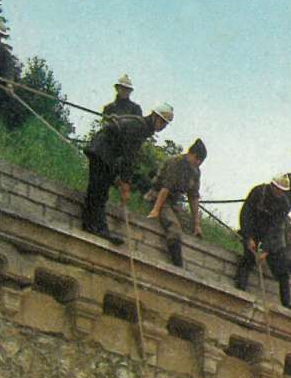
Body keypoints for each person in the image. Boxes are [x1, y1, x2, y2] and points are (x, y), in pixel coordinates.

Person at [81, 103, 173, 245]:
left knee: (99, 189)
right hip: (102, 150)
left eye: (165, 124)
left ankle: (92, 226)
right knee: (98, 190)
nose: (162, 126)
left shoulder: (140, 125)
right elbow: (129, 157)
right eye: (161, 122)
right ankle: (97, 228)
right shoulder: (140, 127)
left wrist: (119, 178)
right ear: (154, 116)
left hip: (106, 152)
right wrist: (125, 184)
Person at [235, 175, 291, 311]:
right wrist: (248, 237)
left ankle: (286, 302)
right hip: (253, 230)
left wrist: (266, 251)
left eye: (282, 190)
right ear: (273, 186)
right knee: (248, 258)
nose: (279, 192)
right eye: (278, 189)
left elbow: (276, 229)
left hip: (271, 237)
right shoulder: (258, 192)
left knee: (282, 270)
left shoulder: (284, 204)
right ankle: (240, 288)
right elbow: (246, 214)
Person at [146, 139, 206, 266]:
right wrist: (156, 210)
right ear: (192, 155)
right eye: (197, 159)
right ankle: (177, 263)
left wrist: (196, 224)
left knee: (187, 225)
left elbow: (193, 197)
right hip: (159, 196)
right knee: (174, 227)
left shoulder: (195, 171)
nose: (198, 163)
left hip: (174, 201)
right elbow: (165, 188)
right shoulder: (176, 162)